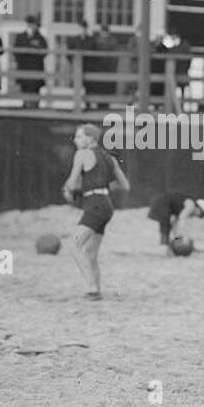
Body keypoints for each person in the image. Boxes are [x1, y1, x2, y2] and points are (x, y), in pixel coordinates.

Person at [61, 123, 130, 300]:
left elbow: (72, 182)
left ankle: (91, 288)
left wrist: (69, 191)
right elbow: (125, 185)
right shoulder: (109, 158)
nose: (76, 140)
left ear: (90, 139)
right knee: (91, 252)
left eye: (79, 136)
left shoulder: (82, 154)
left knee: (74, 245)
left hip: (94, 204)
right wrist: (101, 186)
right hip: (106, 204)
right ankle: (96, 289)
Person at [13, 14, 48, 106]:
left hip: (36, 68)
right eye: (30, 24)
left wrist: (36, 45)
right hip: (24, 67)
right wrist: (31, 45)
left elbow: (45, 51)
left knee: (35, 89)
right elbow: (16, 52)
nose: (32, 26)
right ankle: (25, 104)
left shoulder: (40, 37)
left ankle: (34, 106)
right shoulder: (20, 37)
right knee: (25, 88)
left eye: (33, 24)